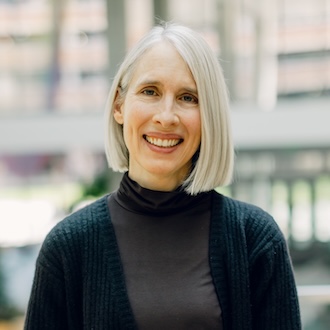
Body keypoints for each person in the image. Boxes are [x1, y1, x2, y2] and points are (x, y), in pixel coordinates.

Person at [24, 23, 301, 330]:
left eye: (188, 98)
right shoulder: (68, 246)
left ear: (209, 116)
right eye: (150, 91)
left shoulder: (255, 239)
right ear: (119, 105)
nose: (166, 116)